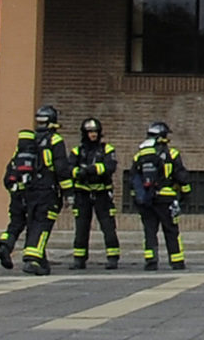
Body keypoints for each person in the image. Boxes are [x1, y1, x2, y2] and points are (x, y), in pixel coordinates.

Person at [0, 104, 74, 276]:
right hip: (45, 191)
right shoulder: (55, 140)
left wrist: (12, 186)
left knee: (17, 222)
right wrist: (69, 192)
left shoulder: (27, 143)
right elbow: (61, 169)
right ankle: (32, 259)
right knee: (41, 224)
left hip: (22, 190)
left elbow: (13, 165)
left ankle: (6, 245)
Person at [129, 120, 193, 271]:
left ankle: (151, 261)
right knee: (171, 230)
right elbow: (181, 177)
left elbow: (133, 179)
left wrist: (137, 199)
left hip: (147, 200)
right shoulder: (172, 154)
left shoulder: (139, 156)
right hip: (166, 198)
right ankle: (176, 261)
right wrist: (186, 195)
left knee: (149, 231)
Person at [66, 116, 122, 269]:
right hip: (82, 194)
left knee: (108, 226)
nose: (93, 134)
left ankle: (113, 257)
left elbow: (110, 166)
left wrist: (91, 170)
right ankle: (79, 259)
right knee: (81, 227)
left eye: (95, 132)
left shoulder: (107, 149)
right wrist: (78, 172)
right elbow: (68, 169)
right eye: (90, 132)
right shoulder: (77, 151)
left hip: (102, 193)